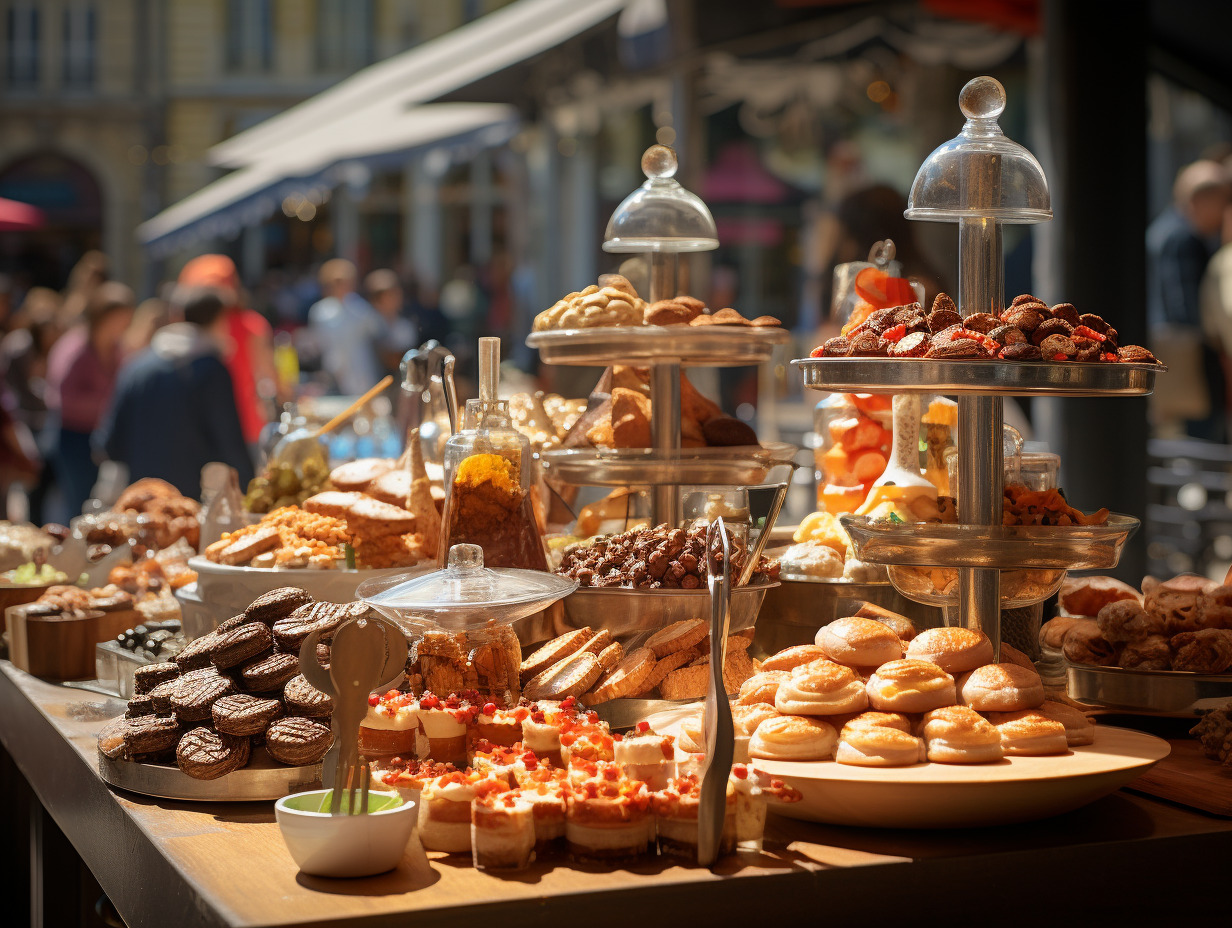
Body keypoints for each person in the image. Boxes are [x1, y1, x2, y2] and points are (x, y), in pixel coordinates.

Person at [96, 288, 253, 498]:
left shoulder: (136, 366)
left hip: (140, 499)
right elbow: (229, 442)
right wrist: (250, 489)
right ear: (218, 320)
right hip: (189, 501)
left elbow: (107, 444)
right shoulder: (211, 370)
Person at [1148, 160, 1232, 440]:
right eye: (1223, 201)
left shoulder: (1164, 229)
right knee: (1201, 434)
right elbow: (1182, 302)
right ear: (1201, 200)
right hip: (1189, 354)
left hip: (1170, 348)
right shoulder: (1184, 238)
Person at [46, 281, 134, 516]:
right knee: (79, 506)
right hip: (74, 438)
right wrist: (108, 403)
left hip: (103, 437)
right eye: (119, 319)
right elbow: (61, 399)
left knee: (103, 506)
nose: (123, 325)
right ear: (102, 316)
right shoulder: (74, 348)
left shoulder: (117, 348)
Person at [177, 255, 275, 450]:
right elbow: (269, 374)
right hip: (242, 425)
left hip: (203, 428)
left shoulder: (184, 330)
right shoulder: (252, 325)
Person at [308, 258, 384, 395]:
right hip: (332, 375)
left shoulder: (362, 308)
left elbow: (378, 332)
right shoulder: (319, 311)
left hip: (362, 373)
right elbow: (318, 343)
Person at [364, 269, 417, 380]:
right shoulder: (364, 323)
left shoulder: (405, 327)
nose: (395, 299)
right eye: (388, 296)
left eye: (396, 294)